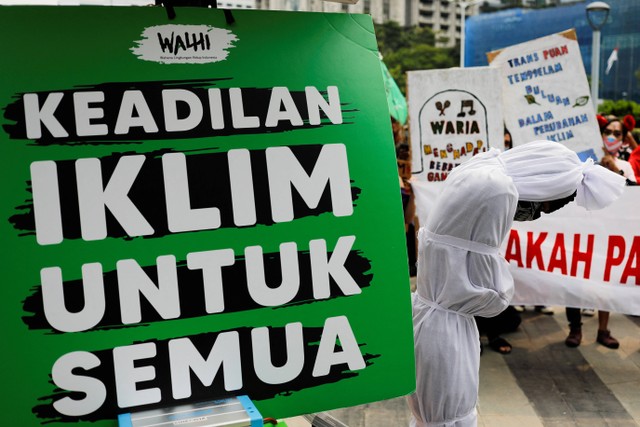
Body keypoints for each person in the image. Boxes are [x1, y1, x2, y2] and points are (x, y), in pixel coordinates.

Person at [407, 140, 625, 427]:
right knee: (447, 418)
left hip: (429, 318)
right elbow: (494, 297)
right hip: (446, 333)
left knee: (431, 416)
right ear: (542, 183)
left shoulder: (481, 168)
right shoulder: (497, 188)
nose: (536, 215)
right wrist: (502, 279)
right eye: (544, 205)